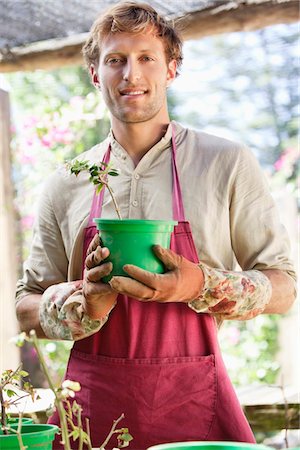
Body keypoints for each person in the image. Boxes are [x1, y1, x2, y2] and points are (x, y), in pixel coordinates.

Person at [16, 2, 296, 449]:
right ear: (94, 74)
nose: (131, 75)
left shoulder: (224, 163)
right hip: (91, 410)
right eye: (115, 60)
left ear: (172, 69)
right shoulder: (66, 182)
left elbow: (284, 287)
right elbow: (25, 307)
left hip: (193, 403)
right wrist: (81, 305)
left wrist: (202, 284)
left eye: (146, 58)